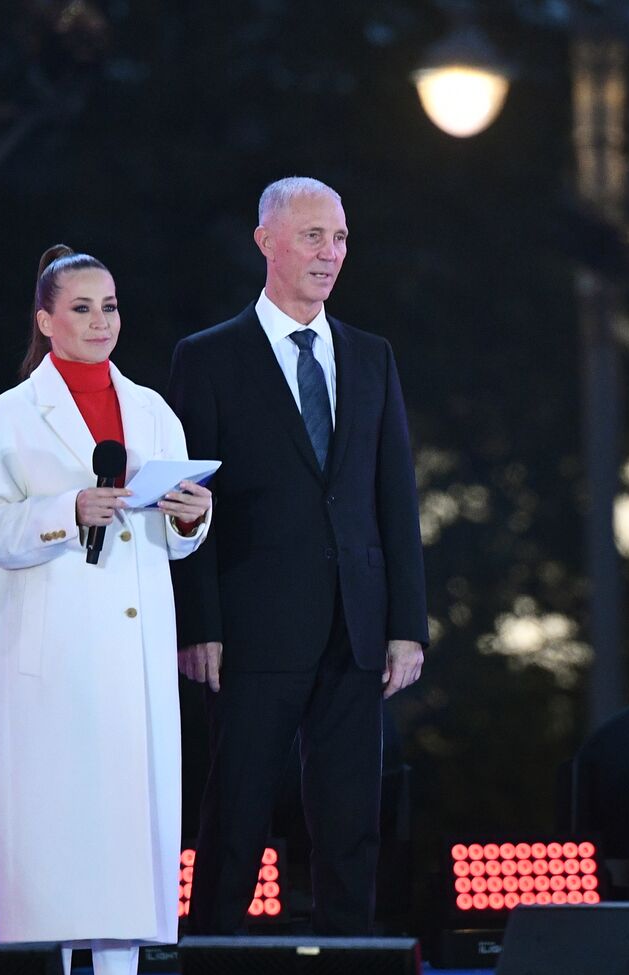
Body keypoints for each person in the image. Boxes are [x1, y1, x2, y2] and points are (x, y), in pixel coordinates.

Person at [169, 176, 428, 936]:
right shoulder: (208, 358)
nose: (330, 252)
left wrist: (406, 624)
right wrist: (199, 623)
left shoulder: (372, 356)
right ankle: (211, 955)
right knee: (237, 819)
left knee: (351, 824)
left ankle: (352, 959)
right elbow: (187, 502)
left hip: (357, 628)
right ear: (267, 241)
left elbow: (395, 498)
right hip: (251, 632)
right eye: (314, 235)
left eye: (340, 237)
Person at [0, 245, 213, 975]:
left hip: (132, 662)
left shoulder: (152, 411)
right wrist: (64, 511)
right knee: (55, 841)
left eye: (108, 306)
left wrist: (192, 517)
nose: (100, 320)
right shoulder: (9, 418)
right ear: (45, 320)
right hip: (54, 659)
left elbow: (171, 543)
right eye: (80, 307)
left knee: (123, 844)